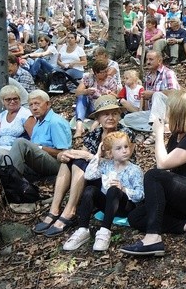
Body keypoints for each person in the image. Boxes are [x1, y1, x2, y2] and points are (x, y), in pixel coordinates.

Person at [120, 90, 186, 256]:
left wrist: (159, 132)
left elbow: (162, 164)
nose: (165, 114)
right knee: (136, 217)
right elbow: (167, 172)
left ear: (178, 114)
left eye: (168, 111)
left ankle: (153, 238)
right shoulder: (177, 136)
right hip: (185, 196)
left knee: (153, 174)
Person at [33, 95, 134, 237]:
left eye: (114, 113)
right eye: (105, 114)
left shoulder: (126, 134)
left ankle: (70, 211)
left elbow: (124, 162)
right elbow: (82, 155)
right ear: (98, 118)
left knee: (81, 162)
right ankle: (54, 210)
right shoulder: (94, 134)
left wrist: (90, 157)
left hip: (114, 182)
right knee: (69, 160)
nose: (110, 117)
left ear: (119, 116)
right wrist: (63, 155)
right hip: (94, 178)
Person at [63, 131, 144, 251]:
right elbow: (89, 176)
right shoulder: (106, 165)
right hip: (107, 205)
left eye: (126, 147)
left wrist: (123, 189)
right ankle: (82, 230)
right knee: (90, 189)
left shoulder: (134, 170)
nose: (124, 150)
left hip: (125, 206)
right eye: (119, 148)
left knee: (114, 190)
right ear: (110, 153)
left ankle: (105, 231)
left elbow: (141, 195)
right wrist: (98, 154)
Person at [8, 90, 71, 179]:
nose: (34, 108)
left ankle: (12, 181)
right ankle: (6, 180)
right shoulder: (38, 122)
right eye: (31, 105)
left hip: (57, 164)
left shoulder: (54, 122)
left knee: (20, 142)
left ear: (48, 104)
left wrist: (39, 148)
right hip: (40, 162)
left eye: (37, 104)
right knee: (3, 157)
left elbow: (64, 153)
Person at [73, 58, 118, 138]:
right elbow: (77, 92)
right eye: (103, 72)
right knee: (81, 97)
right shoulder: (88, 77)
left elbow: (116, 97)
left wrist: (108, 94)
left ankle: (95, 124)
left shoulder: (111, 80)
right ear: (96, 73)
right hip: (90, 106)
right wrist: (86, 91)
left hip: (103, 108)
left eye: (106, 71)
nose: (106, 74)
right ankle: (79, 128)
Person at [0, 85, 34, 166]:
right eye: (8, 99)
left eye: (15, 98)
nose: (12, 101)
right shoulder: (2, 115)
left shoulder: (25, 114)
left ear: (20, 99)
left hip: (15, 152)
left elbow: (34, 138)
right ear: (3, 101)